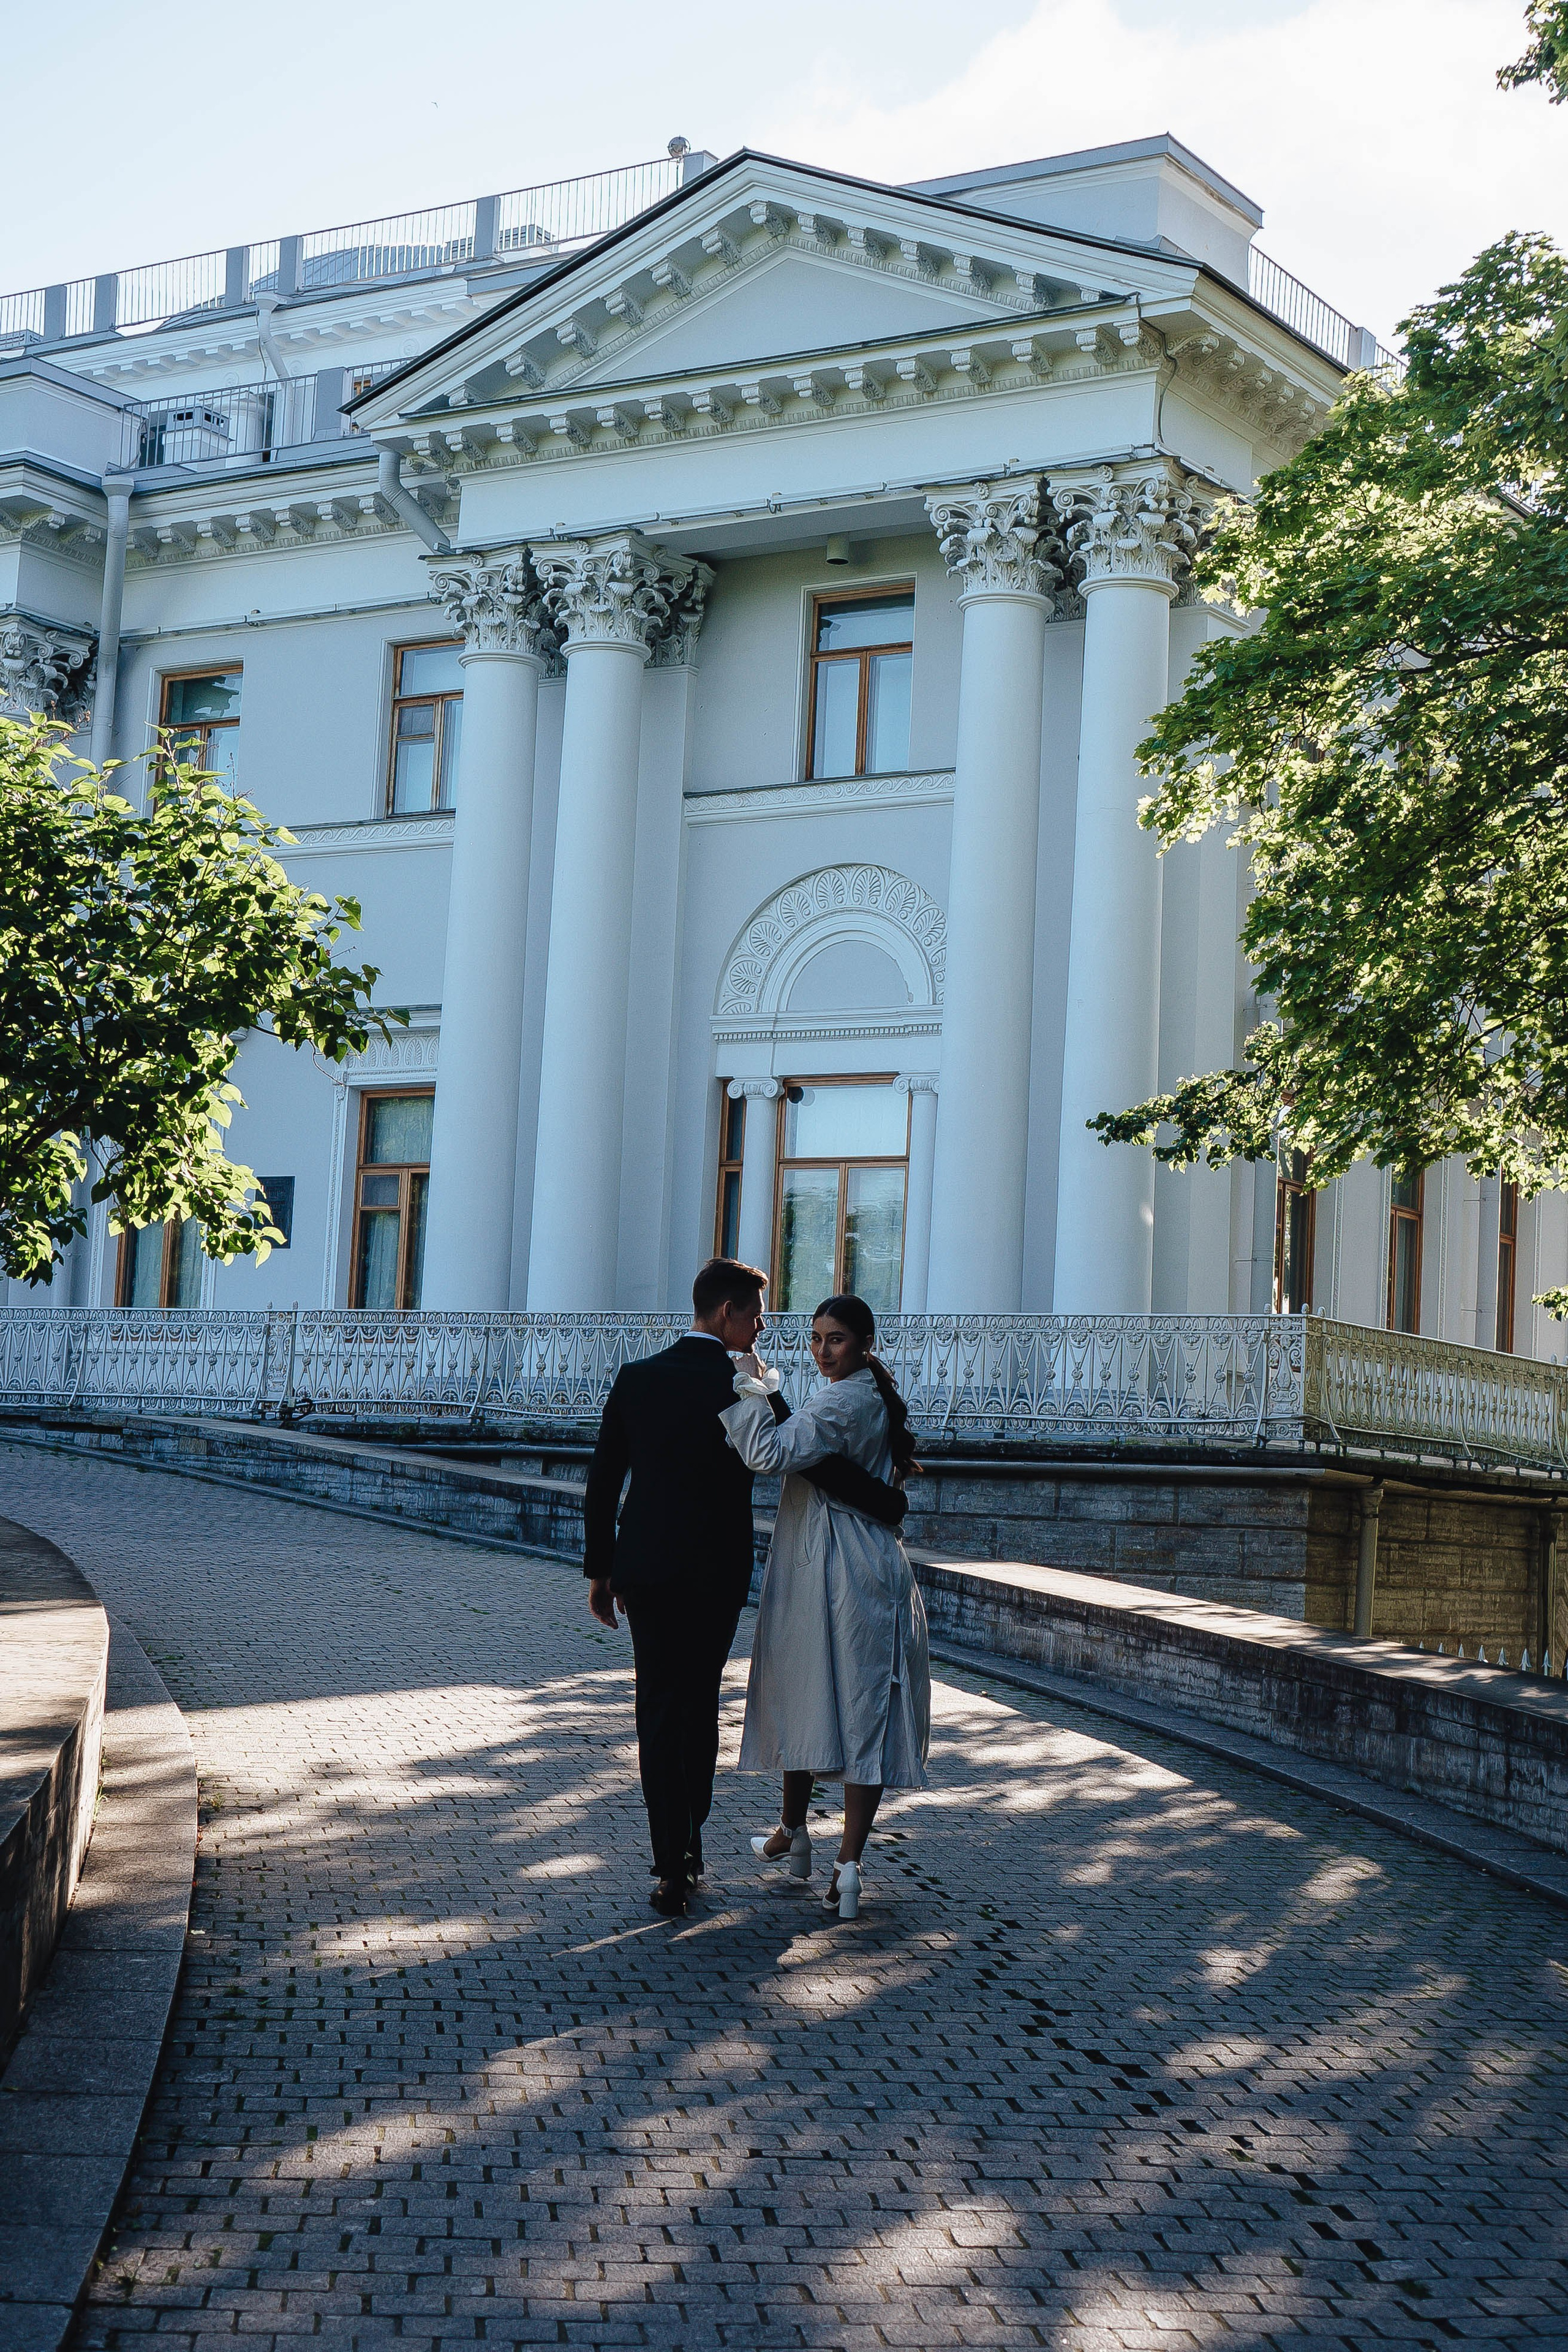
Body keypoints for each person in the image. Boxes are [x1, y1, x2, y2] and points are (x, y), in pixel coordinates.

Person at [584, 1258, 908, 1917]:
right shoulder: (749, 1383)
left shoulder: (638, 1376)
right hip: (715, 1575)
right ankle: (690, 1847)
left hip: (643, 1569)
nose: (763, 1328)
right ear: (728, 1313)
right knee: (697, 1709)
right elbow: (812, 1464)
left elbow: (602, 1478)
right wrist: (887, 1503)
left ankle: (669, 1859)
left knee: (657, 1711)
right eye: (757, 1315)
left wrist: (600, 1568)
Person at [719, 1292, 931, 1921]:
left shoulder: (844, 1398)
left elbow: (768, 1455)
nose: (820, 1350)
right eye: (815, 1338)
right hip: (852, 1562)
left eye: (834, 1339)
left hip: (840, 1567)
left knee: (843, 1703)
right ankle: (824, 1852)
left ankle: (836, 1858)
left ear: (864, 1344)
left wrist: (746, 1390)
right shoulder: (862, 1393)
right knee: (836, 1699)